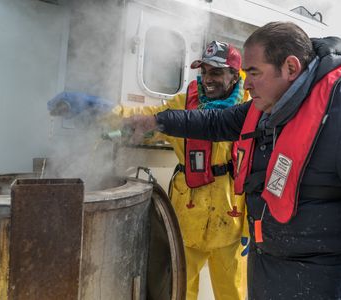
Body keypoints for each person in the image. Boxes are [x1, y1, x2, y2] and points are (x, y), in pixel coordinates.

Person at [125, 22, 341, 299]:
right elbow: (213, 122)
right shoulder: (266, 109)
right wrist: (156, 120)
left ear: (290, 67)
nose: (246, 84)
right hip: (267, 270)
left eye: (253, 72)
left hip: (323, 283)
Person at [48, 41, 249, 300]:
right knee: (180, 291)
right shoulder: (183, 102)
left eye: (217, 73)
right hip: (188, 217)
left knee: (233, 293)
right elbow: (143, 117)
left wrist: (251, 229)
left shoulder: (250, 107)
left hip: (231, 220)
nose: (208, 79)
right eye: (205, 71)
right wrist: (97, 109)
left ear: (234, 74)